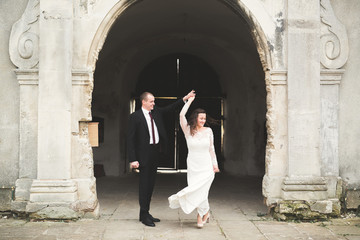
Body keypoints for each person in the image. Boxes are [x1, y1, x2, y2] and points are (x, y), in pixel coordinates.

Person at [127, 90, 195, 227]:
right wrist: (133, 159)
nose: (154, 103)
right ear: (144, 102)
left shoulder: (156, 112)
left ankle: (145, 213)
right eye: (151, 101)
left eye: (154, 101)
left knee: (150, 184)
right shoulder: (135, 117)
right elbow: (130, 139)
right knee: (144, 185)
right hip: (143, 155)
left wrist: (185, 99)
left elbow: (170, 108)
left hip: (155, 152)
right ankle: (144, 215)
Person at [168, 95, 220, 228]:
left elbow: (211, 149)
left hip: (206, 165)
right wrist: (189, 101)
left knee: (203, 191)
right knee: (196, 190)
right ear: (195, 118)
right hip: (193, 166)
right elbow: (181, 115)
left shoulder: (208, 131)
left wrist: (215, 165)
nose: (203, 120)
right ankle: (206, 212)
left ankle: (200, 215)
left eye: (204, 118)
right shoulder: (188, 130)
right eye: (201, 118)